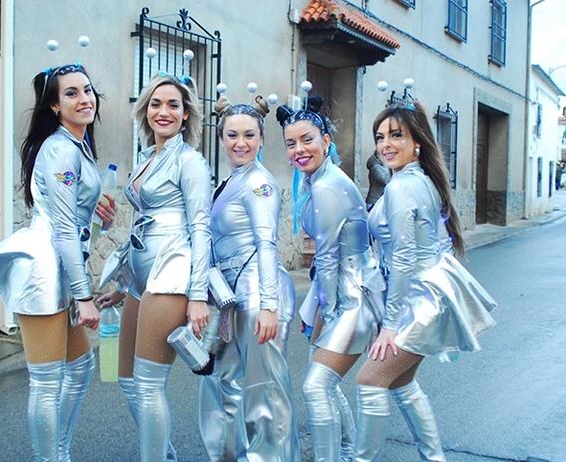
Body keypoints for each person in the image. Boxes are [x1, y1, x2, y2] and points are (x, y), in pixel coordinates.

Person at [0, 63, 115, 461]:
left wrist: (98, 223)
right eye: (72, 93)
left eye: (87, 90)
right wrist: (86, 296)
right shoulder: (59, 148)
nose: (84, 99)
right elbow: (61, 230)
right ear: (55, 106)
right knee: (47, 382)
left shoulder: (77, 145)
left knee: (79, 371)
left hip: (61, 265)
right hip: (43, 271)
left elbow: (74, 228)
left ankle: (60, 454)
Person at [355, 101, 497, 461]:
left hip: (418, 299)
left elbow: (403, 257)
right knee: (401, 382)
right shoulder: (416, 179)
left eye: (396, 135)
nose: (385, 144)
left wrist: (389, 325)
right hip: (423, 292)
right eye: (380, 136)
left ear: (416, 141)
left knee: (371, 380)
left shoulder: (404, 186)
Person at [97, 74, 212, 462]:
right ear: (145, 111)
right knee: (126, 380)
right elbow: (137, 227)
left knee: (149, 385)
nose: (163, 111)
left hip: (173, 271)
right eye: (156, 104)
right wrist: (123, 280)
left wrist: (198, 296)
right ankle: (166, 456)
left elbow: (201, 228)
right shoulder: (147, 157)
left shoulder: (191, 161)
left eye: (173, 105)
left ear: (185, 115)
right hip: (140, 278)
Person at [276, 97, 384, 461]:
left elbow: (326, 257)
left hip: (352, 297)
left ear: (325, 139)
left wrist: (328, 311)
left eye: (307, 140)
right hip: (339, 290)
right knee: (325, 382)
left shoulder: (325, 186)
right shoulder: (319, 179)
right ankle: (349, 451)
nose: (299, 150)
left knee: (316, 386)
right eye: (291, 143)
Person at [197, 95, 300, 461]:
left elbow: (267, 243)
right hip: (230, 298)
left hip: (258, 293)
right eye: (232, 134)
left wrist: (268, 307)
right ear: (221, 137)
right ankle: (227, 455)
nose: (240, 142)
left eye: (249, 135)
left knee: (264, 390)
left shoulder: (260, 182)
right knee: (218, 379)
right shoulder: (229, 181)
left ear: (261, 139)